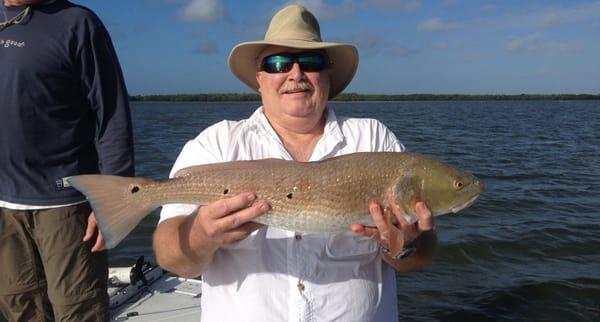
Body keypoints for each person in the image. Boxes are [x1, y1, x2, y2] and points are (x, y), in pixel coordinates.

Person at [153, 4, 436, 322]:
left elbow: (417, 258)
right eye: (278, 63)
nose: (295, 73)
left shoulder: (375, 139)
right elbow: (171, 258)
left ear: (328, 74)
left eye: (311, 61)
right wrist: (202, 233)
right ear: (260, 78)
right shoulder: (216, 143)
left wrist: (405, 244)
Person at [0, 0, 134, 321]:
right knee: (18, 307)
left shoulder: (78, 23)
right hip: (3, 205)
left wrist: (114, 200)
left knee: (78, 311)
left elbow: (113, 114)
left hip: (65, 205)